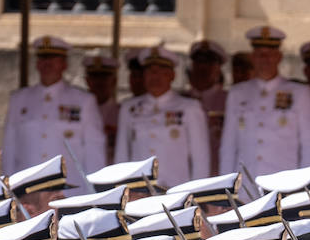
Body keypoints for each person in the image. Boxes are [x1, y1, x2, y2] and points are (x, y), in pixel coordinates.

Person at [1, 36, 106, 184]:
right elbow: (10, 147)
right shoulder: (19, 100)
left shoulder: (83, 101)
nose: (47, 64)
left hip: (69, 190)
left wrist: (94, 191)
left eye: (53, 59)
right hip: (27, 189)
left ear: (64, 64)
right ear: (37, 64)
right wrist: (9, 186)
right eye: (43, 59)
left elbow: (93, 150)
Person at [219, 26, 310, 174]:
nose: (265, 59)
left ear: (279, 57)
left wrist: (306, 187)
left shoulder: (300, 93)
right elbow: (229, 145)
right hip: (245, 188)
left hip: (283, 186)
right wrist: (227, 187)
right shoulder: (238, 93)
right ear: (253, 57)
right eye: (260, 54)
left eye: (270, 54)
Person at [115, 45, 212, 189]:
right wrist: (121, 189)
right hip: (139, 192)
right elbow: (122, 155)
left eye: (162, 72)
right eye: (150, 72)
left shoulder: (189, 107)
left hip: (176, 192)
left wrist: (198, 195)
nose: (155, 77)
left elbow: (200, 159)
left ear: (172, 75)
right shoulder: (129, 108)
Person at [183, 40, 229, 175]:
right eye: (198, 63)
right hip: (183, 174)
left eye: (209, 64)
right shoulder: (181, 100)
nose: (203, 68)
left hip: (219, 173)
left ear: (219, 69)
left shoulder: (229, 100)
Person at [83, 52, 121, 162]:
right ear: (87, 81)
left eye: (104, 78)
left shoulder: (121, 113)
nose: (99, 82)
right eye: (94, 77)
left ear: (114, 81)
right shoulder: (79, 112)